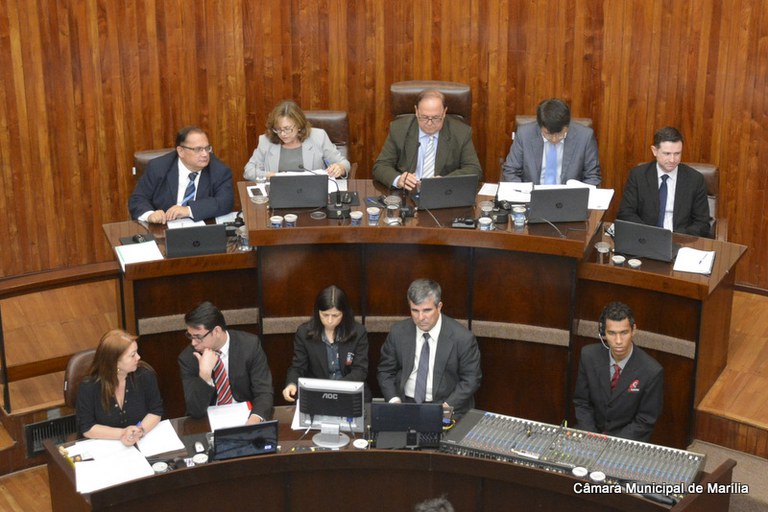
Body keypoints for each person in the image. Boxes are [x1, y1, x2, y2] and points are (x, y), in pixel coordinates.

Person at [377, 279, 482, 417]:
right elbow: (385, 371)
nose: (420, 317)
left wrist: (447, 407)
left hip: (444, 404)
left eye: (427, 310)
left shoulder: (462, 338)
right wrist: (394, 400)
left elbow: (471, 379)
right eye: (415, 310)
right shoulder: (398, 332)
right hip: (405, 403)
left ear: (439, 307)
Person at [573, 301, 663, 442]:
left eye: (624, 333)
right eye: (612, 333)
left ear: (633, 330)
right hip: (590, 436)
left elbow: (645, 420)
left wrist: (610, 444)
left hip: (626, 442)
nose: (618, 341)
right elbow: (582, 403)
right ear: (603, 333)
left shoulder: (652, 371)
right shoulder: (588, 356)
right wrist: (592, 438)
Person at [178, 301, 273, 423]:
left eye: (198, 337)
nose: (193, 343)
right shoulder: (188, 358)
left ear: (216, 331)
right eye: (190, 336)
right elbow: (195, 411)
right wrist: (204, 376)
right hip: (208, 421)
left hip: (246, 416)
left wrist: (254, 420)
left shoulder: (249, 345)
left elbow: (264, 392)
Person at [372, 89, 482, 191]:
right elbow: (380, 166)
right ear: (416, 111)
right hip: (408, 193)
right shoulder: (399, 129)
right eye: (424, 117)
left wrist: (446, 181)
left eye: (436, 118)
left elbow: (474, 169)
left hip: (443, 193)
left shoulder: (461, 133)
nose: (429, 123)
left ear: (444, 112)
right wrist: (398, 179)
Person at [128, 125, 234, 224]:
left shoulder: (219, 170)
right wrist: (150, 215)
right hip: (162, 228)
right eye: (198, 149)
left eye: (207, 148)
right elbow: (137, 199)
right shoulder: (158, 167)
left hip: (201, 230)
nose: (205, 154)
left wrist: (188, 210)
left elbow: (225, 201)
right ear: (181, 151)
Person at [617, 126, 710, 237]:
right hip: (646, 237)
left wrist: (678, 237)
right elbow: (626, 213)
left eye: (677, 153)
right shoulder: (638, 175)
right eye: (667, 154)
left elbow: (702, 223)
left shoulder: (695, 179)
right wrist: (649, 234)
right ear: (654, 151)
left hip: (681, 239)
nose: (672, 160)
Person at [75, 329, 163, 446]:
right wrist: (123, 433)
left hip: (141, 443)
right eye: (132, 355)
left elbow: (155, 411)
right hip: (105, 447)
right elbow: (87, 427)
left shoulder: (145, 375)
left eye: (137, 352)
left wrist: (139, 431)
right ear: (115, 362)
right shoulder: (89, 386)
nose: (138, 357)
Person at [282, 285, 369, 402]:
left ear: (344, 313)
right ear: (317, 312)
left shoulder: (358, 332)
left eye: (335, 315)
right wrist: (291, 383)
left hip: (350, 394)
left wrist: (334, 389)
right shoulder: (304, 333)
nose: (329, 320)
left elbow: (360, 370)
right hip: (317, 396)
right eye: (325, 315)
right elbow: (298, 367)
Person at [501, 98, 601, 186]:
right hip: (530, 196)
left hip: (569, 198)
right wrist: (523, 194)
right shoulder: (524, 134)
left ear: (567, 126)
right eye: (548, 134)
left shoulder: (585, 137)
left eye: (560, 134)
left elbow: (592, 176)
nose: (554, 139)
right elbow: (511, 171)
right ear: (540, 126)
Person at [243, 100, 350, 180]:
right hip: (278, 195)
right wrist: (271, 176)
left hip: (312, 194)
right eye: (278, 129)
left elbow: (344, 164)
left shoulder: (318, 137)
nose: (282, 134)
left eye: (287, 129)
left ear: (299, 125)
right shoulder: (266, 141)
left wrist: (340, 168)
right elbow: (249, 171)